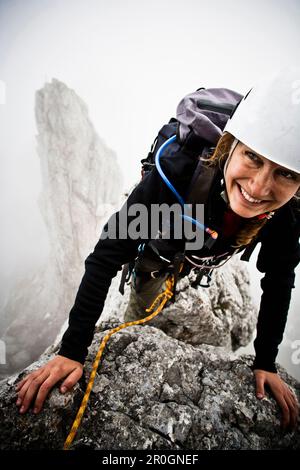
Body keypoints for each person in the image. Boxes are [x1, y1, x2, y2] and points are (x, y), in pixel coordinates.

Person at [15, 67, 300, 432]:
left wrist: (266, 362)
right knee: (144, 300)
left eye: (286, 173)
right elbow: (106, 254)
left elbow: (280, 278)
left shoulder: (288, 212)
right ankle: (151, 298)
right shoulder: (177, 172)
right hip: (160, 246)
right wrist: (71, 351)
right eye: (253, 158)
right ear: (229, 146)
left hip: (205, 247)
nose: (260, 186)